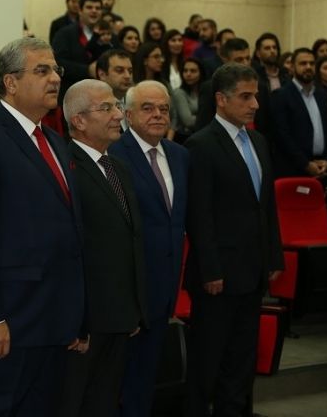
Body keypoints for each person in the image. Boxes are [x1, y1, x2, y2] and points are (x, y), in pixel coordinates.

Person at [0, 37, 85, 416]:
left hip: (54, 317)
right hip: (11, 319)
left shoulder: (54, 140)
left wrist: (77, 316)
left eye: (56, 69)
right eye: (42, 70)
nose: (55, 78)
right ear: (10, 82)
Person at [184, 63, 283, 416]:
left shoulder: (258, 141)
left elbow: (266, 206)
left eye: (255, 96)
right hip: (218, 278)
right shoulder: (200, 145)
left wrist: (274, 257)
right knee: (208, 360)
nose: (254, 104)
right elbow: (200, 215)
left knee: (242, 359)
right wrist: (211, 270)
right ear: (221, 99)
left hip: (252, 272)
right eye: (245, 96)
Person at [56, 79, 146, 417]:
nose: (118, 115)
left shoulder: (117, 166)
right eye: (106, 108)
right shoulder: (65, 167)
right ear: (78, 120)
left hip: (120, 316)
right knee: (74, 403)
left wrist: (134, 307)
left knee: (105, 403)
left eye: (117, 106)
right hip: (86, 323)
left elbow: (130, 240)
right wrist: (77, 321)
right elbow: (69, 251)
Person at [109, 80, 189, 417]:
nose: (158, 115)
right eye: (148, 108)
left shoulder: (180, 155)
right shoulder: (113, 155)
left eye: (164, 109)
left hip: (164, 290)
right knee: (118, 381)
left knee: (146, 379)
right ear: (128, 115)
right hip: (127, 292)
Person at [272, 48, 327, 178]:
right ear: (292, 67)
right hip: (294, 170)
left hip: (322, 168)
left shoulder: (323, 96)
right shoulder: (281, 96)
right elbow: (282, 136)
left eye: (312, 63)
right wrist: (306, 164)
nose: (308, 67)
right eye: (303, 63)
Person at [53, 0, 105, 102]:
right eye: (89, 7)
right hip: (71, 94)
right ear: (80, 11)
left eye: (98, 8)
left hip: (100, 95)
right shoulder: (64, 34)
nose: (94, 11)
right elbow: (57, 62)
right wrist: (87, 70)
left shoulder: (109, 36)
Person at [171, 57, 204, 143]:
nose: (188, 74)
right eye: (185, 71)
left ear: (201, 73)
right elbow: (188, 121)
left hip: (201, 135)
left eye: (193, 71)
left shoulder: (205, 91)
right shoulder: (179, 93)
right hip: (184, 138)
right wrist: (208, 118)